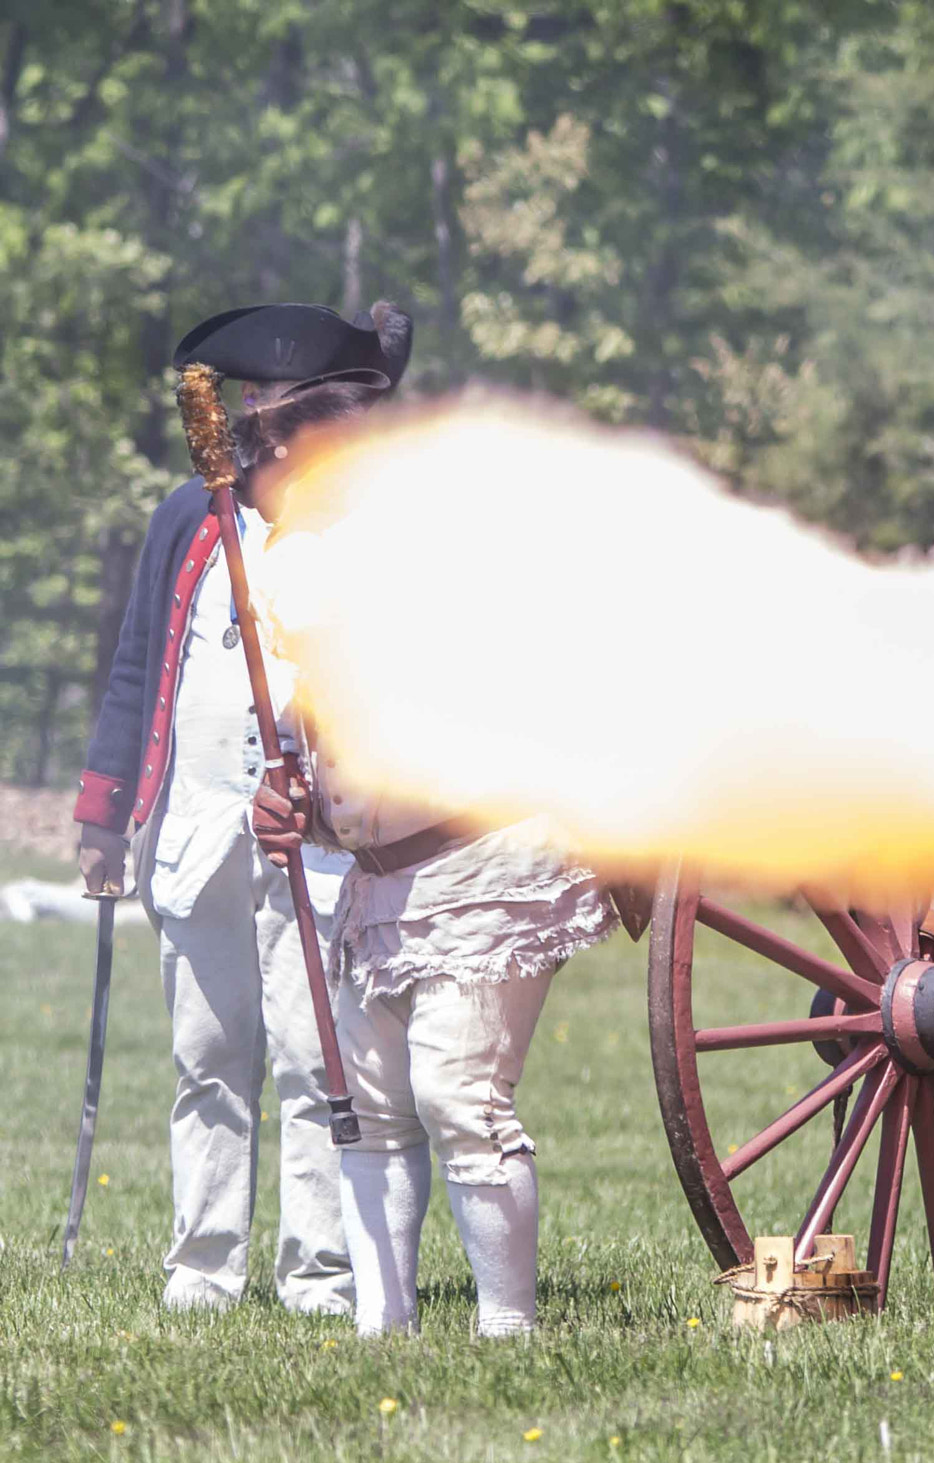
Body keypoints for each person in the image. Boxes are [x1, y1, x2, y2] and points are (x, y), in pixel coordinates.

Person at [73, 300, 412, 1315]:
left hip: (310, 826)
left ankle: (315, 1269)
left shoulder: (359, 525)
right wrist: (103, 810)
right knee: (208, 1055)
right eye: (258, 400)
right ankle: (203, 1266)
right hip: (193, 818)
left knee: (316, 1055)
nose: (263, 415)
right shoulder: (191, 512)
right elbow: (140, 662)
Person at [247, 468, 618, 1337]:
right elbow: (341, 810)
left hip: (483, 876)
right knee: (368, 1111)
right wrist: (290, 812)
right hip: (381, 891)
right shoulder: (310, 688)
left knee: (458, 1096)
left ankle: (508, 1327)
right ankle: (384, 1326)